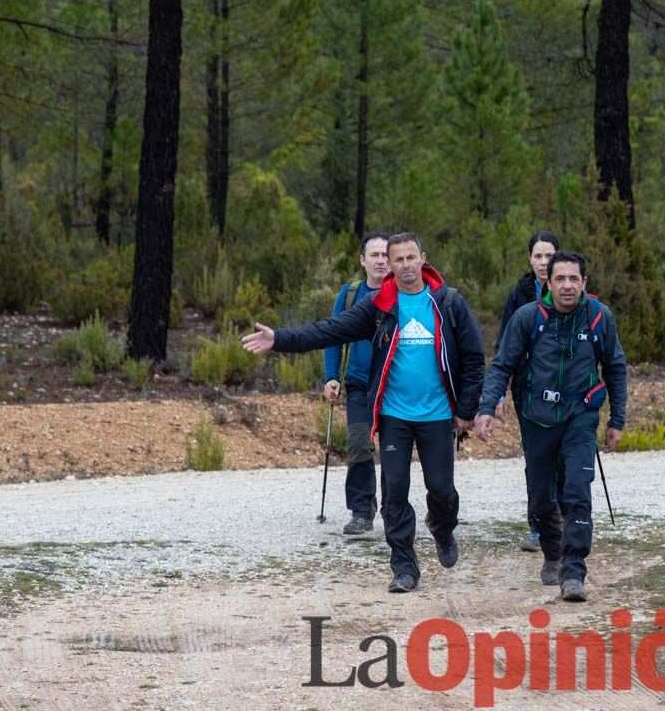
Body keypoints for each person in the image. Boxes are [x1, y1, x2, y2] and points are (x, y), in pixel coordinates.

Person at [242, 233, 484, 594]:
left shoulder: (448, 303)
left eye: (410, 258)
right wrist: (280, 339)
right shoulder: (379, 305)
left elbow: (473, 357)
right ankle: (404, 566)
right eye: (397, 259)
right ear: (389, 262)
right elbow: (329, 330)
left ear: (423, 259)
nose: (404, 266)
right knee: (395, 490)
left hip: (437, 415)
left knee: (442, 488)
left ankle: (442, 525)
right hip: (394, 416)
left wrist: (466, 409)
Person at [475, 251, 627, 602]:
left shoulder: (600, 318)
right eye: (560, 279)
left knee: (577, 490)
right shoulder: (527, 318)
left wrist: (617, 420)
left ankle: (574, 571)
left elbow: (615, 367)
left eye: (574, 279)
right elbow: (502, 365)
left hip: (581, 416)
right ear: (548, 282)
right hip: (537, 417)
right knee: (541, 498)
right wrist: (486, 408)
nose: (567, 286)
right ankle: (552, 551)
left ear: (585, 283)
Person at [495, 231, 560, 553]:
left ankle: (566, 520)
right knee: (537, 457)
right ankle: (538, 526)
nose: (544, 263)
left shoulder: (571, 288)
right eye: (538, 256)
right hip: (527, 388)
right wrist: (497, 394)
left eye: (549, 256)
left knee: (565, 454)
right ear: (529, 259)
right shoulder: (519, 293)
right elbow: (504, 346)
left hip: (567, 389)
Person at [322, 232, 390, 535]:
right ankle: (362, 511)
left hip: (394, 386)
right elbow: (331, 336)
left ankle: (394, 509)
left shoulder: (404, 294)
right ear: (362, 260)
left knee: (393, 449)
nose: (380, 260)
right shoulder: (350, 295)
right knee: (360, 446)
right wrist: (331, 376)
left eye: (385, 255)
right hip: (360, 384)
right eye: (374, 255)